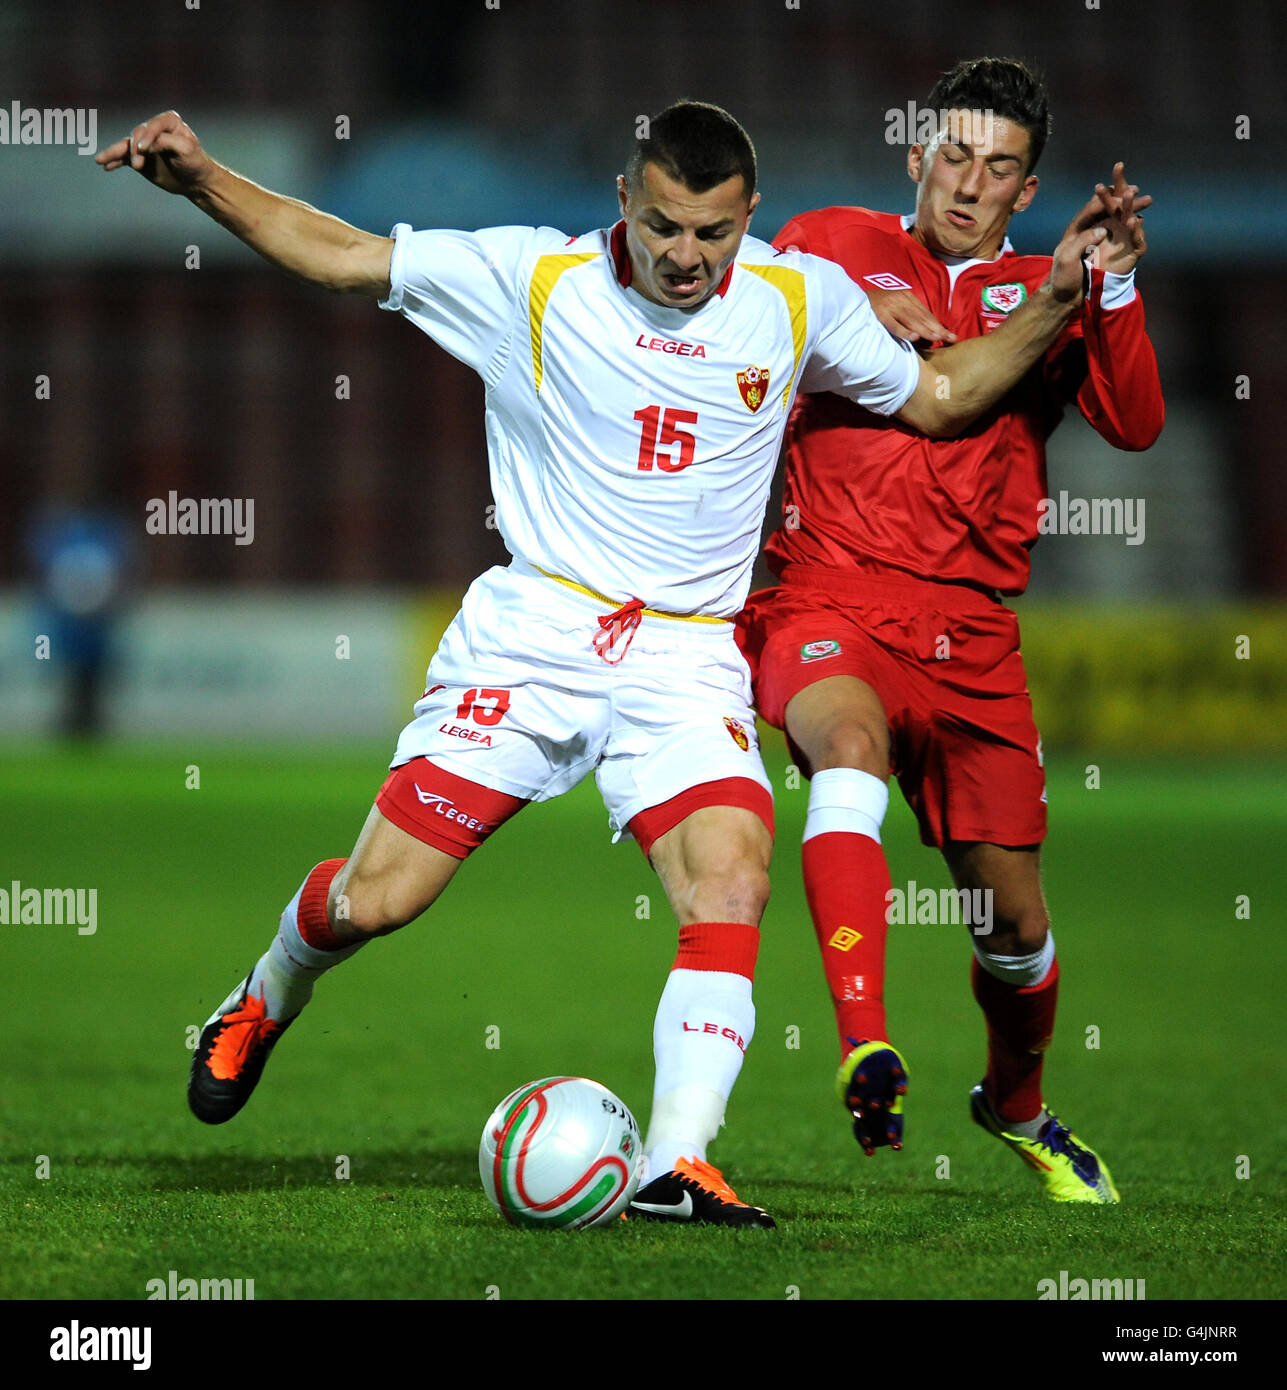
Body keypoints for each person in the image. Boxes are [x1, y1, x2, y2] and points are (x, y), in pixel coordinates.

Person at [97, 98, 1106, 1226]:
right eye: (665, 225)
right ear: (624, 199)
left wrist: (1060, 297)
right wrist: (203, 181)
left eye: (713, 233)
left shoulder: (795, 297)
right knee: (379, 899)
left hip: (686, 655)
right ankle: (266, 991)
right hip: (537, 635)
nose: (686, 257)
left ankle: (677, 1164)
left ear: (749, 221)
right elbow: (342, 255)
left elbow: (942, 393)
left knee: (731, 880)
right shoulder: (531, 278)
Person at [736, 58, 1164, 1203]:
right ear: (915, 152)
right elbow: (731, 295)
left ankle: (1015, 1105)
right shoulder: (829, 238)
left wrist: (1104, 287)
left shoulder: (1048, 283)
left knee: (1016, 928)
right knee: (845, 750)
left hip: (973, 633)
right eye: (956, 155)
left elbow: (1134, 423)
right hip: (828, 594)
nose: (970, 183)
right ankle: (863, 1043)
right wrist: (834, 301)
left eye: (1001, 167)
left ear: (1029, 191)